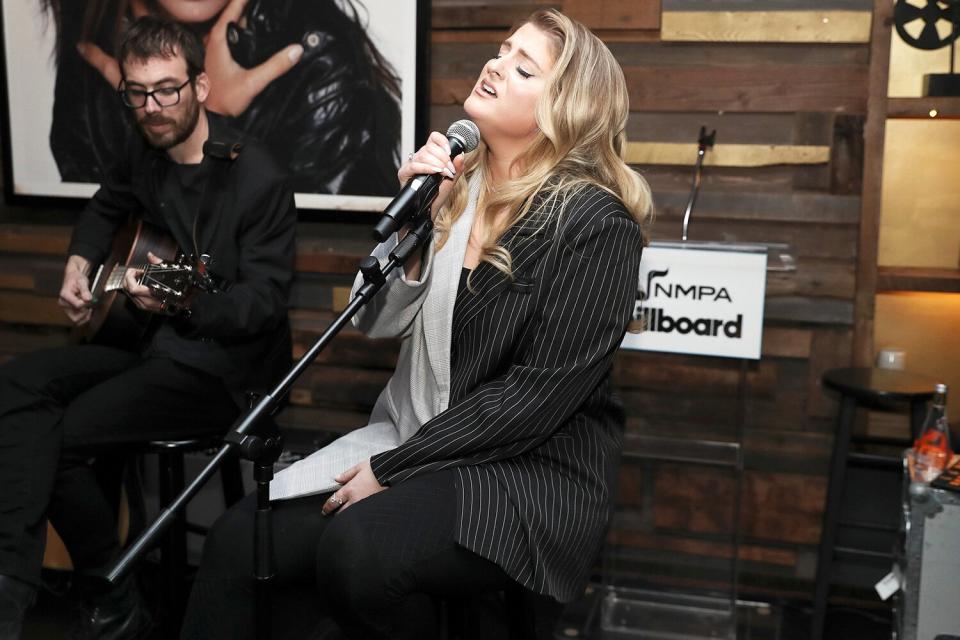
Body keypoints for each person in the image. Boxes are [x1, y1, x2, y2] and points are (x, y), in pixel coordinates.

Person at [181, 8, 652, 640]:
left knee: (357, 552)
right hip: (415, 437)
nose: (495, 64)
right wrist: (417, 222)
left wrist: (396, 466)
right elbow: (371, 320)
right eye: (502, 49)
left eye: (523, 66)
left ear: (566, 107)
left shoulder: (595, 225)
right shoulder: (458, 186)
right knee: (240, 540)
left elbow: (532, 400)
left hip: (525, 473)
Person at [0, 17, 296, 640]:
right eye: (136, 93)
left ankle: (102, 589)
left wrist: (179, 305)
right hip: (146, 344)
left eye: (166, 90)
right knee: (18, 383)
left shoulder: (256, 175)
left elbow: (262, 304)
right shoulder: (144, 153)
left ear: (201, 86)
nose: (152, 108)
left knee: (62, 438)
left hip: (223, 370)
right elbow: (106, 204)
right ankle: (54, 583)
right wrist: (81, 261)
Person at [45, 0, 402, 195]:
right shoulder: (94, 51)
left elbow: (252, 261)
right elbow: (106, 219)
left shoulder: (318, 60)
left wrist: (205, 123)